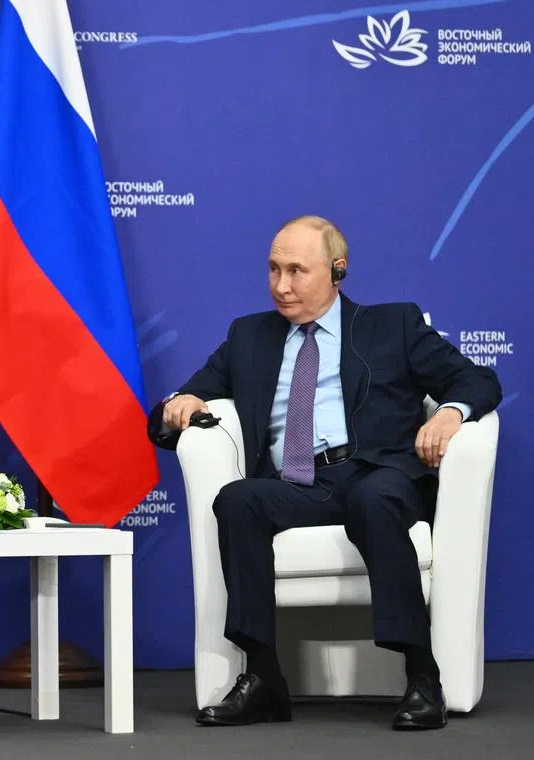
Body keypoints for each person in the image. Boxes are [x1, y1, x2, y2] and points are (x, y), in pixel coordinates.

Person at [150, 215, 501, 731]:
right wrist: (175, 405)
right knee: (237, 500)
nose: (281, 285)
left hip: (375, 473)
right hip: (296, 483)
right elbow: (184, 399)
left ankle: (423, 677)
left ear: (337, 271)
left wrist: (450, 412)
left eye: (296, 271)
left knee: (373, 501)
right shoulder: (249, 336)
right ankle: (264, 679)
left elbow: (476, 378)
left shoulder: (393, 325)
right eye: (273, 269)